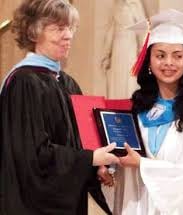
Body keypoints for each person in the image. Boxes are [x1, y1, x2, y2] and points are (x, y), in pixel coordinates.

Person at [0, 0, 119, 214]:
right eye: (58, 29)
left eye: (70, 28)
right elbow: (31, 156)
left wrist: (99, 167)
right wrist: (90, 159)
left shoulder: (67, 83)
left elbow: (82, 142)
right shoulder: (24, 82)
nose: (68, 36)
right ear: (34, 32)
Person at [106, 9, 183, 214]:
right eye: (160, 55)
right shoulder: (137, 110)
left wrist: (142, 164)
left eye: (177, 56)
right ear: (149, 61)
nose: (168, 62)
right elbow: (125, 156)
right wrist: (111, 167)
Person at [101, 0, 146, 99]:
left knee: (129, 81)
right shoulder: (116, 6)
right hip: (117, 48)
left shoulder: (135, 4)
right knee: (116, 82)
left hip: (130, 47)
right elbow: (110, 31)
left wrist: (141, 54)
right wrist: (106, 55)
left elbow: (142, 31)